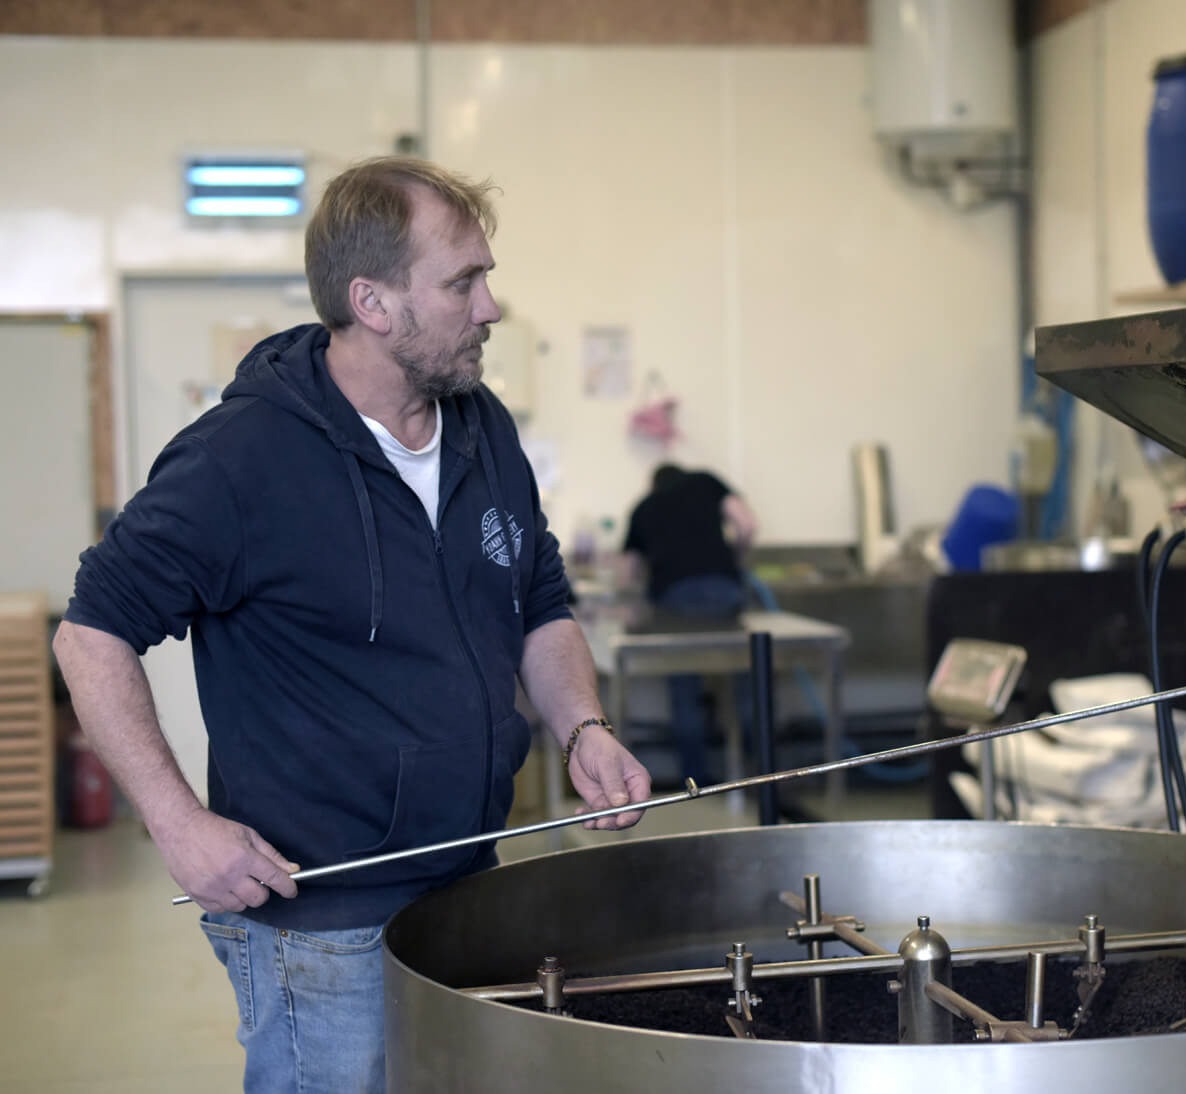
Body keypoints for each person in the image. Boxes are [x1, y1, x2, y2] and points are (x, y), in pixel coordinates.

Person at [52, 157, 651, 1092]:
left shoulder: (483, 426)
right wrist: (177, 823)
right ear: (372, 301)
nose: (492, 307)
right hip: (321, 929)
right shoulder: (241, 459)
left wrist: (584, 724)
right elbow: (90, 634)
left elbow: (539, 603)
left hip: (470, 884)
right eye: (464, 282)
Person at [621, 464, 759, 786]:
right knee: (746, 683)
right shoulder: (705, 481)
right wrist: (736, 561)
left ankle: (697, 783)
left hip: (673, 598)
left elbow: (627, 572)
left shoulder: (643, 506)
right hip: (723, 588)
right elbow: (747, 525)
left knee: (684, 691)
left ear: (652, 483)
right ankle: (761, 773)